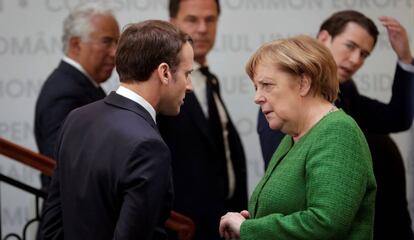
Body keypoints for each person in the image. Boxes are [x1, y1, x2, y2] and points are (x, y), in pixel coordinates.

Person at [257, 11, 414, 239]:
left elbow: (397, 117)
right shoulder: (281, 105)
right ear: (323, 38)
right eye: (350, 46)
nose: (355, 60)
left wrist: (405, 59)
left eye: (364, 54)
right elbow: (287, 184)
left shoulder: (347, 91)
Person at [40, 20, 194, 240]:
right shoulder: (148, 147)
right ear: (164, 72)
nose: (189, 86)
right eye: (187, 73)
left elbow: (52, 226)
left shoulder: (77, 119)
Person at [219, 35, 376, 239]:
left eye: (267, 85)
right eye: (256, 87)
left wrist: (250, 229)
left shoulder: (338, 132)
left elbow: (326, 223)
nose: (257, 97)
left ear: (303, 83)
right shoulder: (292, 137)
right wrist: (255, 222)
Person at [156, 0, 248, 239]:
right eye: (192, 20)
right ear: (172, 23)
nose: (203, 28)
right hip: (183, 226)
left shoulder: (209, 80)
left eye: (210, 20)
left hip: (222, 223)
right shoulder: (162, 83)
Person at [34, 3, 120, 190]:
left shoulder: (83, 86)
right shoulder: (64, 93)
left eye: (117, 42)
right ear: (75, 44)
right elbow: (64, 167)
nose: (115, 52)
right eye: (107, 41)